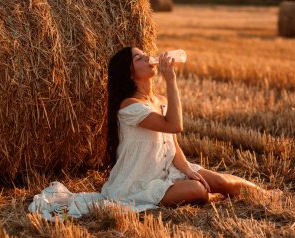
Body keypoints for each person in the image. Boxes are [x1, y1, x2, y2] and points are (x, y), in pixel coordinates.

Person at [101, 47, 272, 208]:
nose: (147, 57)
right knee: (198, 190)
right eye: (138, 58)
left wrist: (187, 169)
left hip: (170, 170)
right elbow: (175, 126)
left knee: (221, 182)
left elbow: (173, 146)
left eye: (145, 53)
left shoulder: (160, 101)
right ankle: (206, 195)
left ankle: (266, 195)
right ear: (129, 73)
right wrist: (171, 80)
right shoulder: (129, 106)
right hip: (142, 182)